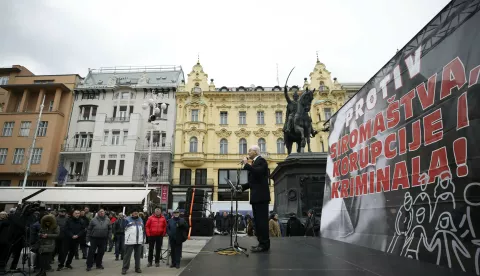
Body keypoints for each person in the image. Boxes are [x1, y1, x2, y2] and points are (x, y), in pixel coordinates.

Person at [239, 145, 271, 253]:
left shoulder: (262, 161)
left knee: (262, 222)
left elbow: (258, 172)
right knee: (258, 222)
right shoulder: (254, 163)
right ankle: (261, 243)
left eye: (250, 150)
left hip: (261, 197)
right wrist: (243, 187)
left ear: (256, 152)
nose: (248, 152)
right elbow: (254, 181)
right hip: (256, 197)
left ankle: (264, 244)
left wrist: (246, 164)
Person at [122, 210, 144, 275]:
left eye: (137, 212)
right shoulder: (127, 219)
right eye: (134, 212)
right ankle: (124, 268)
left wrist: (143, 239)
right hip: (130, 241)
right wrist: (123, 220)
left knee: (138, 256)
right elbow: (122, 227)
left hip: (138, 241)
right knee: (127, 256)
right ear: (132, 213)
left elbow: (143, 229)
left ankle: (137, 268)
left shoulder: (140, 219)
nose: (136, 213)